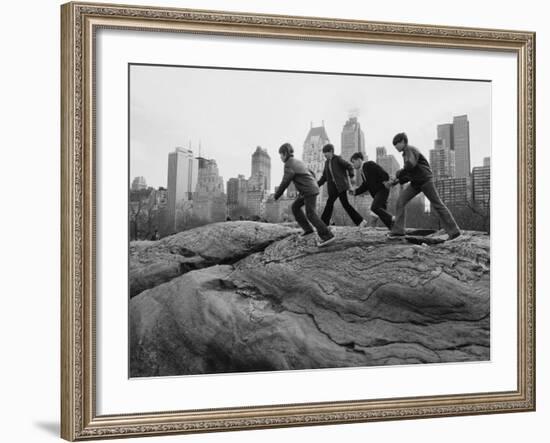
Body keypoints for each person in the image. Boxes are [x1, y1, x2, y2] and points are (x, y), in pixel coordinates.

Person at [389, 132, 461, 240]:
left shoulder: (410, 150)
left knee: (437, 204)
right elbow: (410, 172)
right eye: (394, 145)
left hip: (425, 180)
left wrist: (398, 173)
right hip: (416, 183)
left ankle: (454, 231)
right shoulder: (405, 153)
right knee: (401, 201)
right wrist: (397, 181)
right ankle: (398, 230)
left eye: (396, 144)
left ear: (403, 142)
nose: (395, 147)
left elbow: (410, 165)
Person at [274, 143, 335, 246]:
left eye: (281, 155)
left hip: (309, 191)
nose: (280, 157)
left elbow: (285, 181)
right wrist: (310, 185)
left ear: (285, 153)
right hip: (309, 189)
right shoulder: (297, 161)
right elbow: (311, 173)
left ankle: (327, 235)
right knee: (295, 207)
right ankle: (308, 230)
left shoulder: (289, 164)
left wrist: (276, 195)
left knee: (310, 214)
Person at [317, 144, 367, 227]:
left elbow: (349, 166)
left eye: (326, 153)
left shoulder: (337, 159)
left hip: (341, 187)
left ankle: (360, 221)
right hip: (333, 188)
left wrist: (351, 176)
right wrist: (316, 185)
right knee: (330, 202)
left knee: (343, 204)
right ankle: (360, 221)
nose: (325, 155)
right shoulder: (326, 163)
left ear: (331, 151)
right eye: (324, 154)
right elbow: (324, 177)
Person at [350, 152, 395, 229]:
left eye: (353, 162)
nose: (353, 165)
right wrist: (355, 192)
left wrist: (385, 180)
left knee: (374, 207)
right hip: (377, 193)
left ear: (359, 160)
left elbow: (381, 171)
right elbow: (365, 186)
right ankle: (394, 229)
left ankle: (393, 219)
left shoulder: (369, 164)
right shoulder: (362, 171)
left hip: (382, 190)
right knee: (382, 214)